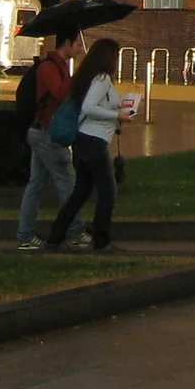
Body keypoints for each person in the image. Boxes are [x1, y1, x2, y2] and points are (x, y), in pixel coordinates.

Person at [47, 37, 128, 253]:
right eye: (116, 56)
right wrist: (115, 114)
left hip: (85, 140)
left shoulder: (92, 78)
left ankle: (56, 236)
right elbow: (89, 107)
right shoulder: (101, 79)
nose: (118, 61)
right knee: (107, 191)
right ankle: (101, 240)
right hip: (93, 142)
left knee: (81, 192)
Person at [15, 30, 87, 252]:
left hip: (42, 131)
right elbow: (61, 94)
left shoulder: (60, 66)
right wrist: (79, 78)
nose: (79, 50)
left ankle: (25, 235)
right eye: (77, 45)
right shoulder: (49, 68)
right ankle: (74, 232)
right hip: (47, 134)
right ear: (67, 43)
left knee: (36, 184)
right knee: (67, 181)